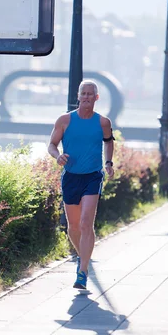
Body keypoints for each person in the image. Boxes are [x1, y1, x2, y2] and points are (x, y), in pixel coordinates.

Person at [47, 80, 115, 290]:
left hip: (93, 176)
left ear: (96, 98)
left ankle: (83, 271)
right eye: (83, 93)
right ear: (78, 96)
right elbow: (51, 145)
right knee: (73, 227)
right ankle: (83, 255)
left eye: (90, 94)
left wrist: (109, 163)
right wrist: (58, 157)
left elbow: (109, 141)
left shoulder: (102, 122)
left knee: (86, 223)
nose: (86, 97)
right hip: (71, 177)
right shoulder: (65, 120)